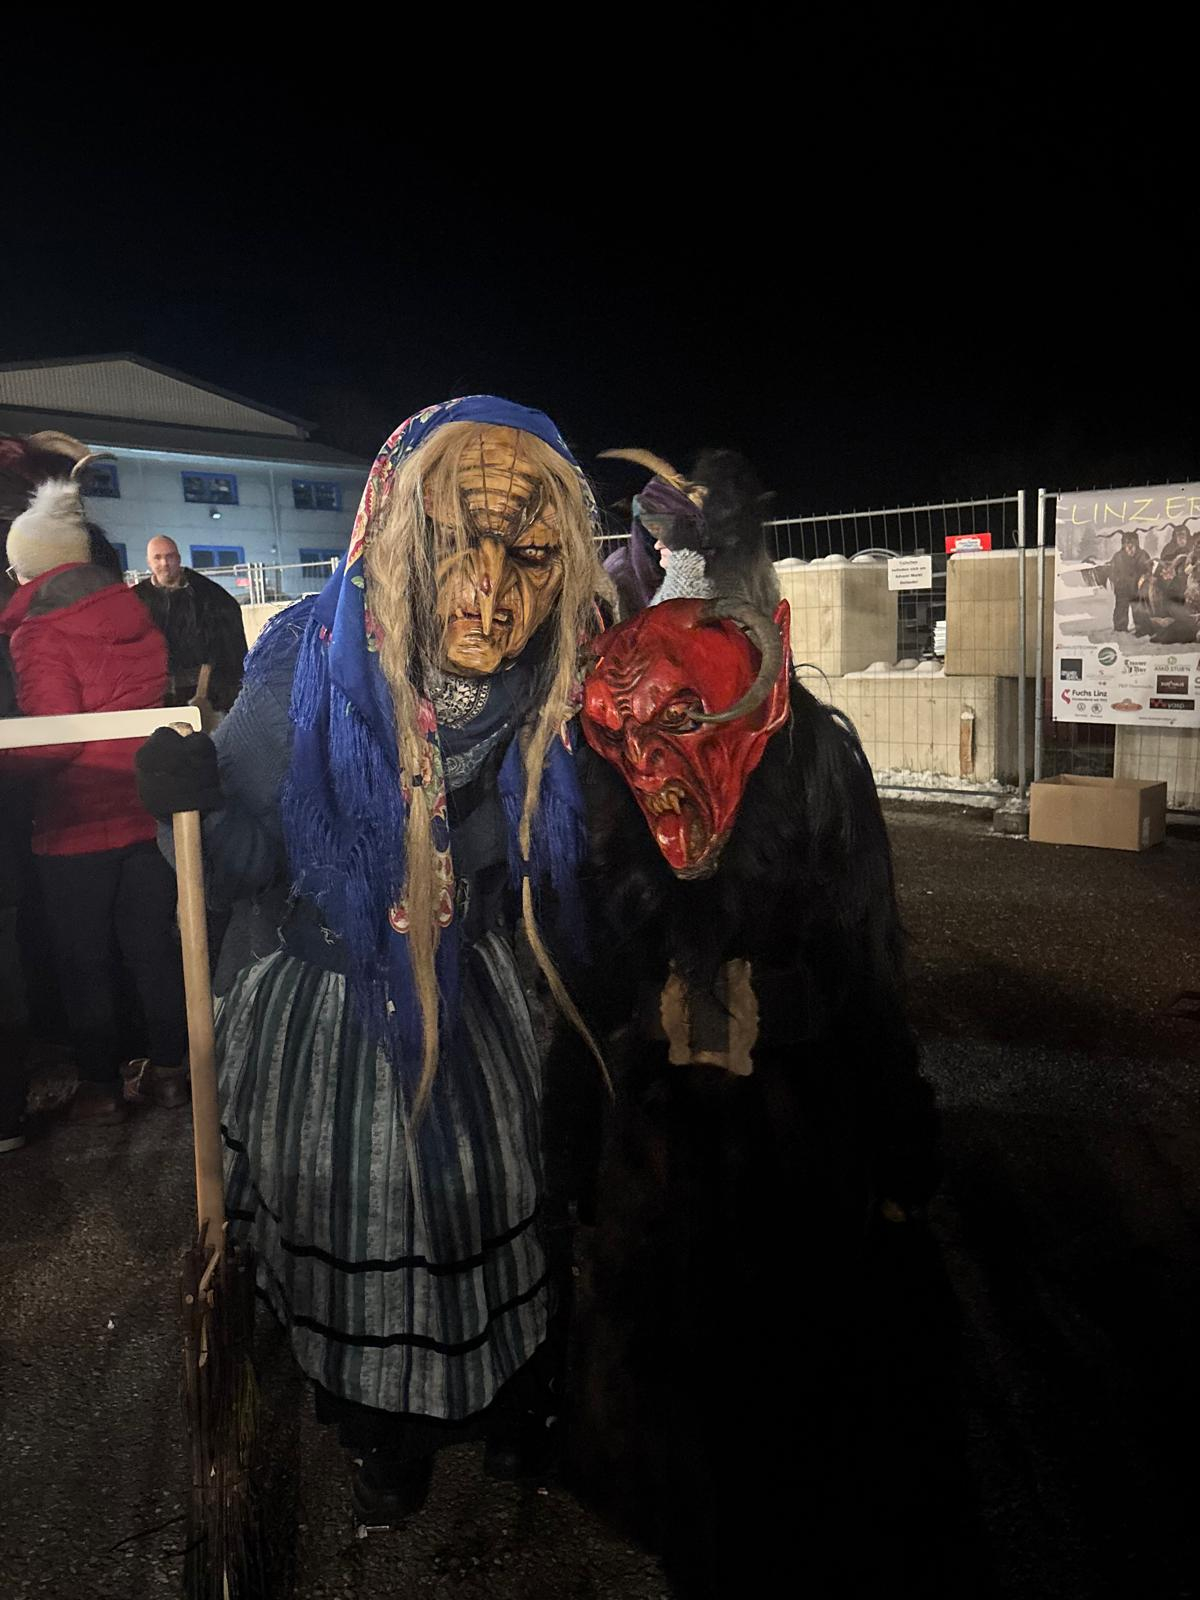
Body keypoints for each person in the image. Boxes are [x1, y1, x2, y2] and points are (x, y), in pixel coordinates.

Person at [135, 397, 610, 1523]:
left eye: (532, 555)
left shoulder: (548, 687)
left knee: (490, 1199)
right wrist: (186, 807)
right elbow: (241, 863)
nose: (492, 591)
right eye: (458, 544)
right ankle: (381, 1431)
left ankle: (509, 1393)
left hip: (472, 995)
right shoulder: (310, 661)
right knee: (362, 1215)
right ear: (395, 534)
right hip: (331, 1004)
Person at [545, 447, 946, 1597]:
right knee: (734, 1409)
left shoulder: (768, 748)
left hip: (750, 1126)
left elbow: (856, 957)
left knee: (752, 1402)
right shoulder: (678, 742)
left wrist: (893, 1134)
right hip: (716, 1127)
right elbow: (861, 956)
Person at [0, 475, 189, 1123]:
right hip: (144, 810)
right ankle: (171, 1073)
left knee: (84, 961)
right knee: (151, 947)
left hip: (75, 823)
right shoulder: (134, 614)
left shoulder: (39, 633)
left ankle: (101, 1088)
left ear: (31, 567)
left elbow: (54, 741)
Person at [134, 536, 247, 712]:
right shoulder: (136, 601)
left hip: (206, 696)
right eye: (157, 557)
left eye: (170, 556)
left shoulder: (211, 597)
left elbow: (231, 651)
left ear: (179, 558)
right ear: (149, 562)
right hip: (156, 697)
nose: (164, 563)